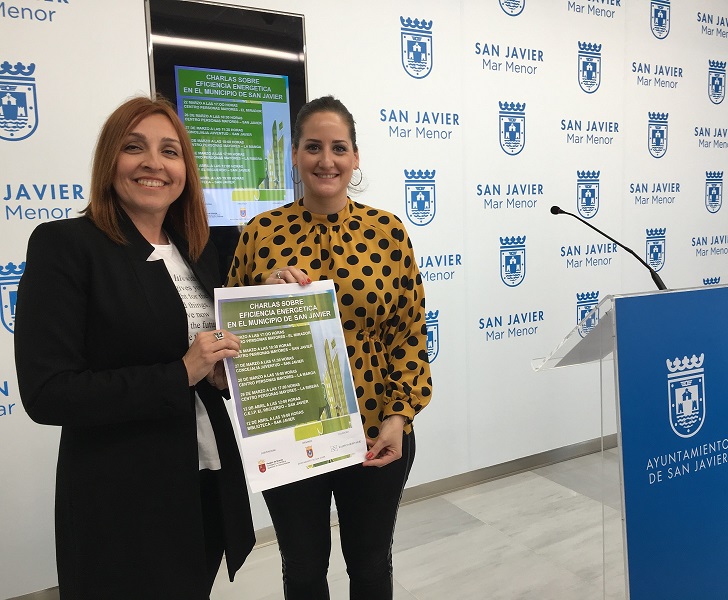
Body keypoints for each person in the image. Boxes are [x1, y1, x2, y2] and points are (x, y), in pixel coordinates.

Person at [14, 96, 255, 600]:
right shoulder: (66, 245)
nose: (153, 163)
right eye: (133, 147)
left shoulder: (198, 251)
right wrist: (180, 373)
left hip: (205, 481)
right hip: (122, 501)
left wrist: (221, 368)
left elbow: (203, 361)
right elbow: (48, 393)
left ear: (185, 169)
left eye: (170, 151)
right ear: (109, 160)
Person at [227, 95, 433, 599]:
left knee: (370, 564)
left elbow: (409, 332)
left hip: (375, 428)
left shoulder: (388, 232)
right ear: (294, 155)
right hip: (289, 432)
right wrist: (263, 300)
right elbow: (228, 340)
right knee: (302, 568)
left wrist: (399, 416)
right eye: (313, 147)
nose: (327, 160)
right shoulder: (260, 234)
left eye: (339, 147)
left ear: (355, 157)